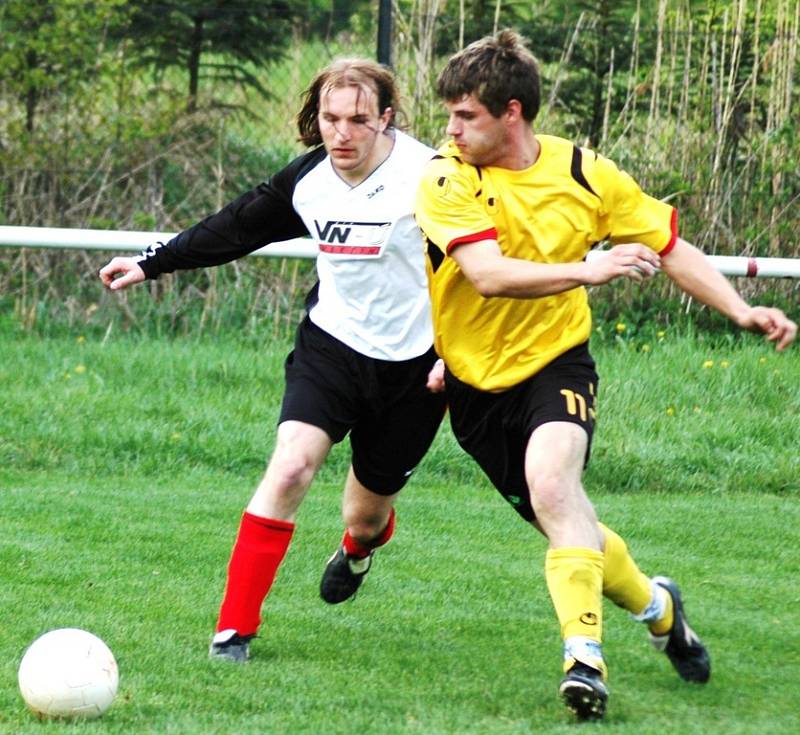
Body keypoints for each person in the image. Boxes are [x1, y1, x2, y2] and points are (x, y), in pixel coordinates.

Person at [414, 30, 797, 721]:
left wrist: (740, 310)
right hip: (473, 386)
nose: (451, 130)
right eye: (450, 116)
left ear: (511, 113)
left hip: (558, 359)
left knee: (555, 486)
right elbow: (487, 276)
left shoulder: (588, 173)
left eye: (465, 115)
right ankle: (659, 606)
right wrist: (589, 268)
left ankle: (583, 659)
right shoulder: (447, 178)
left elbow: (668, 245)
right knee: (573, 525)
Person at [99, 58, 447, 663]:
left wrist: (455, 352)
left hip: (415, 367)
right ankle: (234, 630)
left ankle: (360, 548)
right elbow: (236, 227)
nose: (341, 133)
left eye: (358, 120)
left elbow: (477, 266)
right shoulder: (310, 180)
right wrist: (151, 262)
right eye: (329, 118)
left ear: (386, 118)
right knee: (290, 468)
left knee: (365, 516)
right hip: (332, 348)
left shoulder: (431, 176)